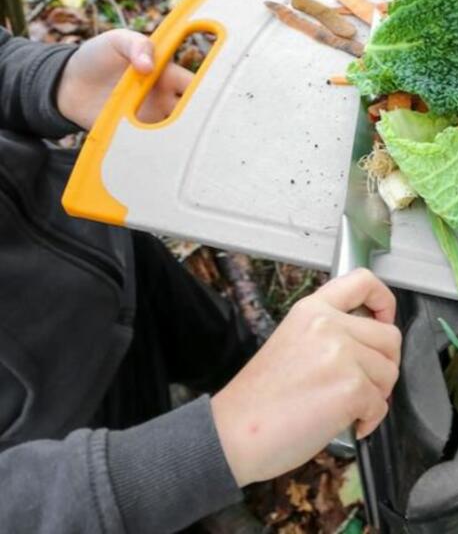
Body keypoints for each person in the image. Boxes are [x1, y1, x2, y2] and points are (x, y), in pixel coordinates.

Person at [0, 27, 402, 532]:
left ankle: (267, 422)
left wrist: (52, 80)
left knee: (220, 346)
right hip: (59, 444)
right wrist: (211, 447)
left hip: (101, 249)